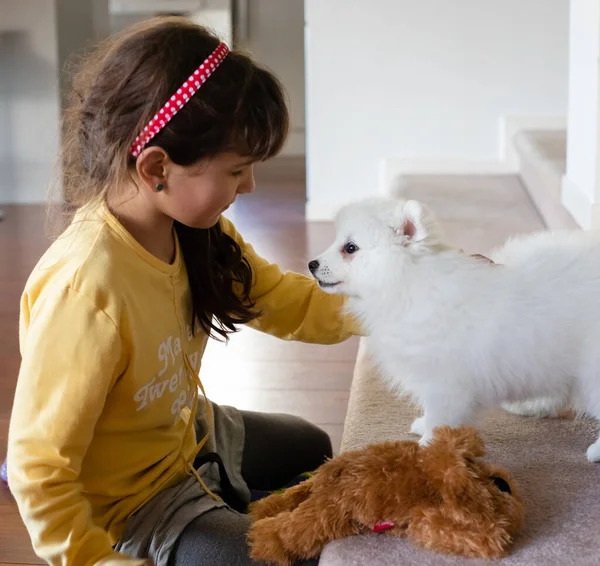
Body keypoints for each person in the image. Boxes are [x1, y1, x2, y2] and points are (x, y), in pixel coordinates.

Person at [7, 17, 358, 566]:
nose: (250, 186)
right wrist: (93, 559)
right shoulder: (85, 288)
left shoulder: (198, 231)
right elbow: (38, 465)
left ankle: (228, 511)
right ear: (156, 168)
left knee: (312, 446)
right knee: (281, 556)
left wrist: (392, 302)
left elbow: (285, 301)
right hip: (132, 507)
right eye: (237, 169)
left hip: (188, 436)